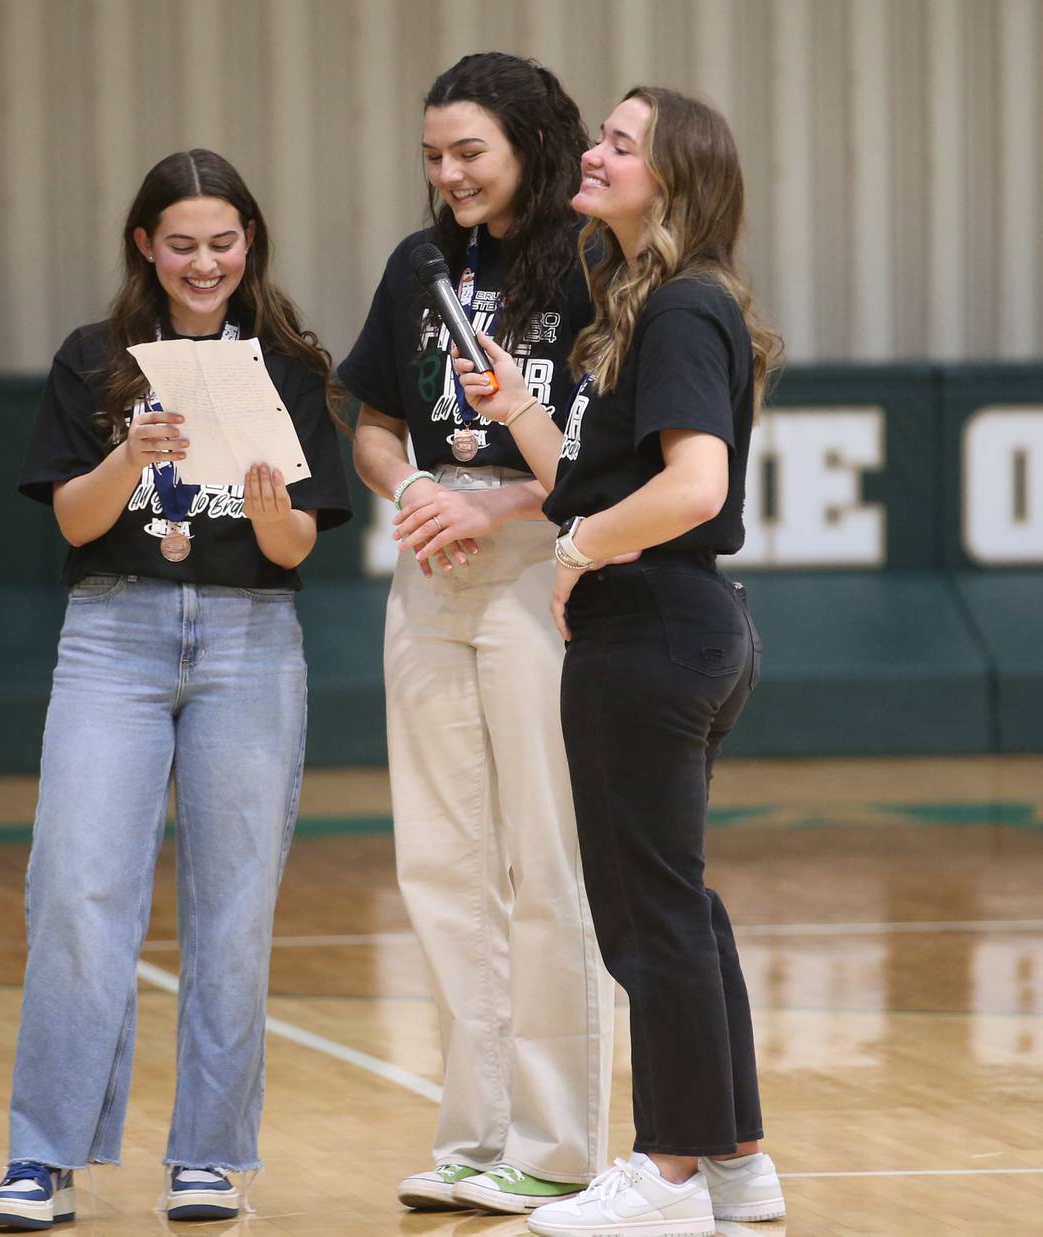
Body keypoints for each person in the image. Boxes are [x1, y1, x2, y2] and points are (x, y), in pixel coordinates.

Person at [0, 149, 352, 1231]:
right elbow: (74, 521)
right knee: (75, 890)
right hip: (115, 637)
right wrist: (132, 458)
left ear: (251, 244)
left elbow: (295, 543)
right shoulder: (94, 360)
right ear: (145, 244)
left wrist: (267, 494)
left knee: (234, 911)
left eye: (223, 243)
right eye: (181, 243)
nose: (204, 263)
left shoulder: (288, 363)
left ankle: (208, 1155)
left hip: (249, 641)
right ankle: (42, 1157)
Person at [454, 86, 787, 1237]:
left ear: (674, 181)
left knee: (648, 915)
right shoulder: (636, 309)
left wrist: (581, 552)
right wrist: (521, 411)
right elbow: (588, 479)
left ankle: (668, 1173)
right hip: (671, 628)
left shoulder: (687, 306)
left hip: (652, 627)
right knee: (676, 905)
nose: (594, 153)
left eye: (620, 143)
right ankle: (739, 1164)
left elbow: (695, 486)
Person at [338, 52, 614, 1216]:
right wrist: (407, 490)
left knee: (548, 861)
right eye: (433, 156)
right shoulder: (418, 266)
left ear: (530, 146)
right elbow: (374, 422)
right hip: (430, 572)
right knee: (443, 864)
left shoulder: (596, 265)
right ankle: (475, 1136)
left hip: (539, 571)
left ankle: (558, 1146)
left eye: (470, 153)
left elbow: (602, 458)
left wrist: (496, 502)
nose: (448, 174)